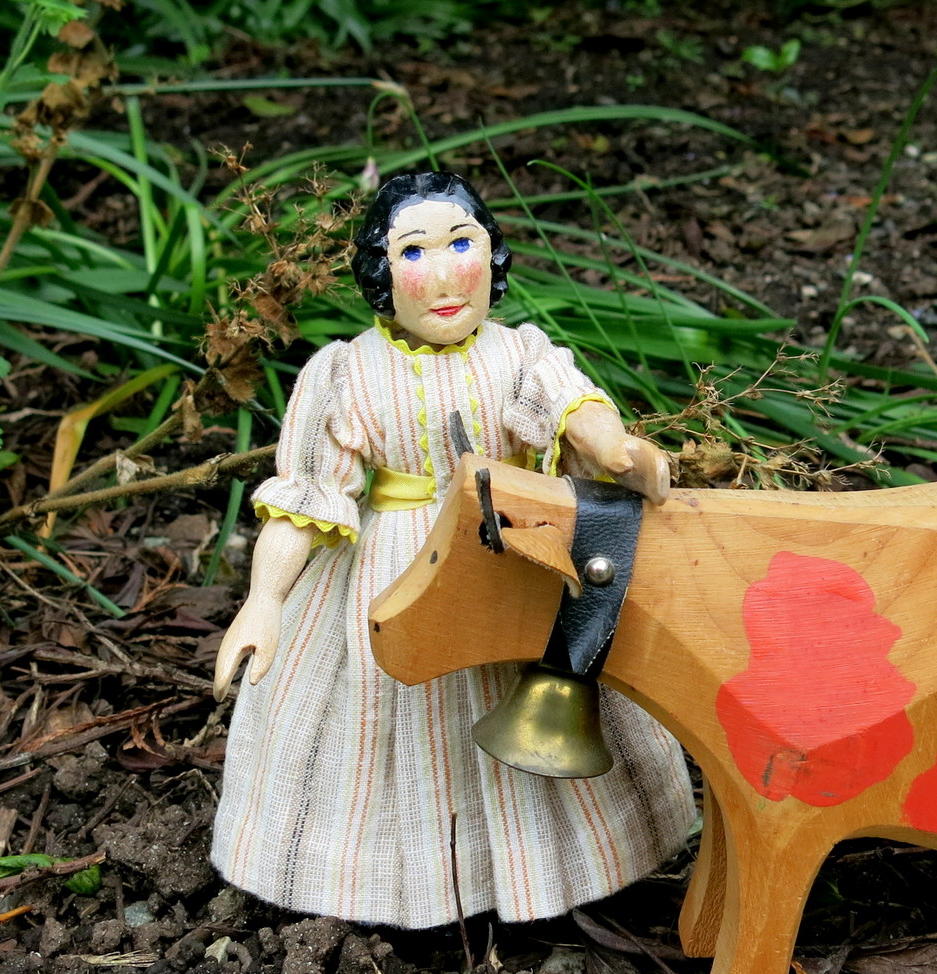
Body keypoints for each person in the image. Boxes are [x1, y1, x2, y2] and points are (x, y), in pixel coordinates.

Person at [210, 171, 696, 928]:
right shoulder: (347, 374)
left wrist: (616, 449)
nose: (443, 275)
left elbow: (574, 407)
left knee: (542, 679)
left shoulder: (518, 353)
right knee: (389, 713)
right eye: (414, 252)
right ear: (381, 272)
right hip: (397, 567)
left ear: (490, 254)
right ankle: (393, 878)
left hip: (512, 554)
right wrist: (264, 601)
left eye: (461, 243)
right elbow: (309, 497)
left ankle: (557, 867)